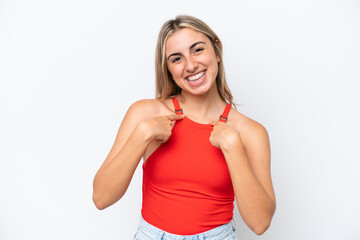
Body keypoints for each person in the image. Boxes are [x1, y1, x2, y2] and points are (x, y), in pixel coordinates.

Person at [92, 15, 276, 240]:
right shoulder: (145, 114)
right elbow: (101, 198)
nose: (190, 65)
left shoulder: (250, 132)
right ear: (168, 68)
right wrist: (143, 134)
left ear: (217, 51)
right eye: (176, 58)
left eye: (197, 50)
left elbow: (260, 223)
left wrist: (232, 146)